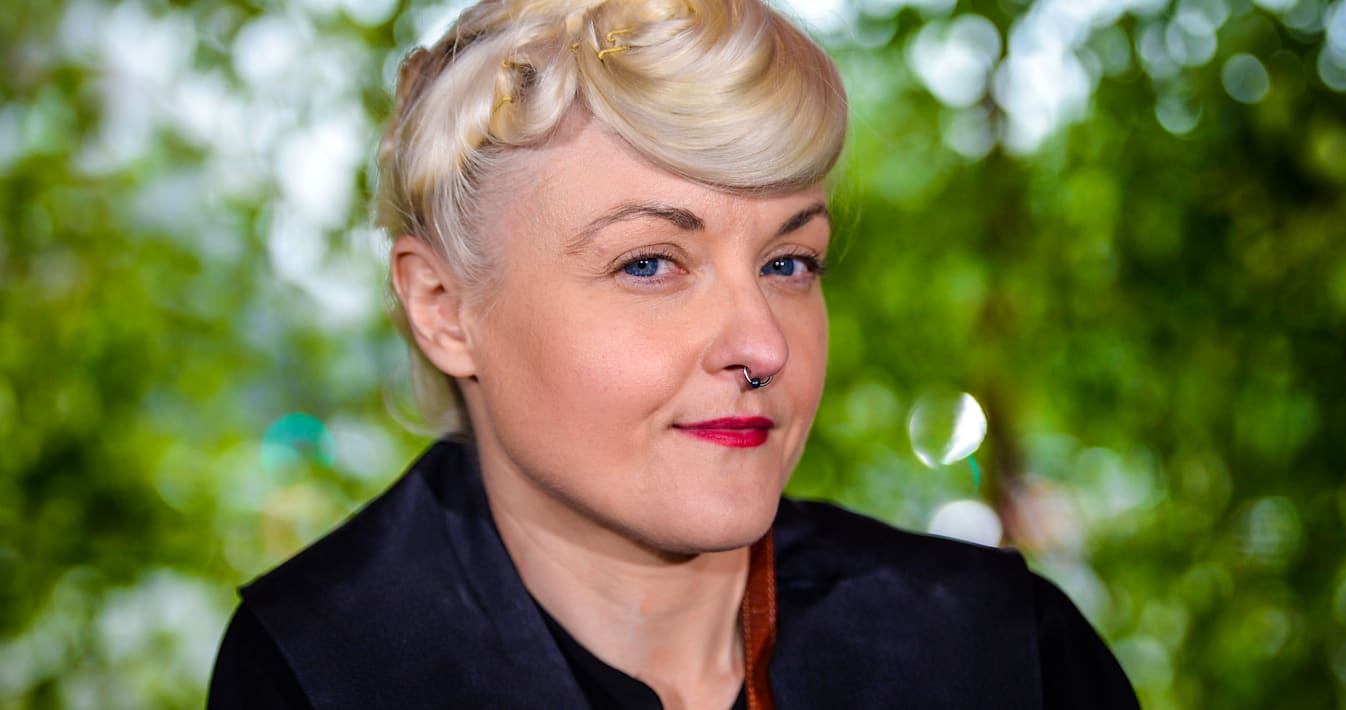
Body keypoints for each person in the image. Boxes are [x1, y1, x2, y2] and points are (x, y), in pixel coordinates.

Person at [209, 0, 1139, 707]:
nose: (762, 344)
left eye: (789, 262)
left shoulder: (1001, 656)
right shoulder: (315, 673)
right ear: (444, 310)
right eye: (649, 263)